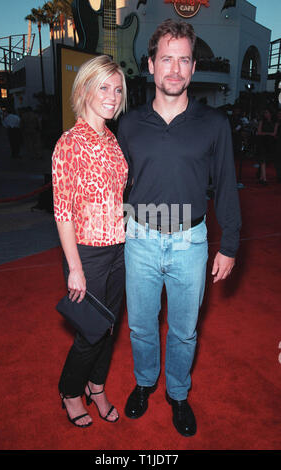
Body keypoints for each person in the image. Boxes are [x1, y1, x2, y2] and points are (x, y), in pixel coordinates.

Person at [118, 19, 241, 437]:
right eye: (166, 59)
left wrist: (231, 244)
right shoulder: (130, 124)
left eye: (183, 60)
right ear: (150, 65)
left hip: (192, 241)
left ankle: (178, 393)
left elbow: (226, 185)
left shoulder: (214, 124)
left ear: (193, 67)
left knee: (185, 330)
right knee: (140, 324)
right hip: (140, 239)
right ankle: (145, 382)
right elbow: (118, 184)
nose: (174, 69)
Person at [52, 55, 128, 427]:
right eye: (104, 87)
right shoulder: (70, 143)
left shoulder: (111, 139)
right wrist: (76, 269)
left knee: (110, 327)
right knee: (91, 332)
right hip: (87, 254)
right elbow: (63, 211)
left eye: (117, 89)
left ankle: (96, 386)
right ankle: (69, 390)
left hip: (119, 249)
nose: (112, 96)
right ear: (84, 88)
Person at [256, 108, 278, 185]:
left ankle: (262, 177)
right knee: (263, 160)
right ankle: (264, 179)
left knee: (266, 160)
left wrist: (264, 133)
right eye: (264, 112)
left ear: (270, 113)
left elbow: (274, 133)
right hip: (262, 142)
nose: (265, 114)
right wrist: (269, 134)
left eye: (267, 112)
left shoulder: (275, 122)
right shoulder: (262, 121)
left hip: (271, 143)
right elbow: (258, 132)